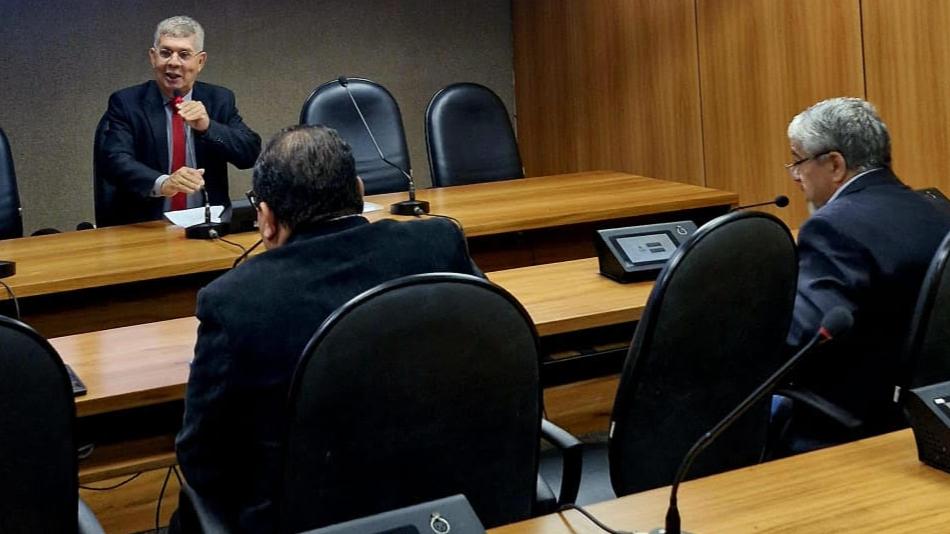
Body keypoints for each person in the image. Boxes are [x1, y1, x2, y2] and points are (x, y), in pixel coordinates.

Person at [174, 125, 482, 532]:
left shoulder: (234, 301)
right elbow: (492, 356)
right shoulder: (439, 243)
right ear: (359, 191)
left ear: (265, 218)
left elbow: (201, 459)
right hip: (451, 505)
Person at [776, 97, 950, 454]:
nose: (795, 175)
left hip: (851, 422)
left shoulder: (833, 228)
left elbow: (801, 339)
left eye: (798, 161)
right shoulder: (937, 209)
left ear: (835, 164)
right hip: (925, 414)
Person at [99, 15, 260, 225]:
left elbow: (250, 154)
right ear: (153, 57)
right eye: (165, 53)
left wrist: (208, 127)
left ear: (200, 61)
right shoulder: (127, 102)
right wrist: (164, 183)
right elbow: (115, 160)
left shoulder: (219, 99)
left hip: (208, 224)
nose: (173, 62)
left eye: (184, 55)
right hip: (149, 226)